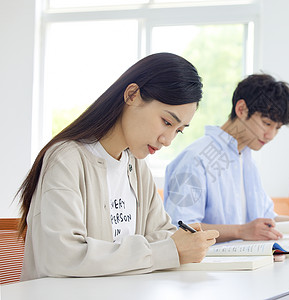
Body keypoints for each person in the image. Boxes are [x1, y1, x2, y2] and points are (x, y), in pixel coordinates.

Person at [16, 53, 219, 281]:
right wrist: (166, 250)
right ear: (132, 95)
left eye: (178, 130)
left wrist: (174, 246)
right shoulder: (66, 159)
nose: (168, 140)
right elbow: (63, 257)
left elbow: (164, 234)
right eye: (167, 122)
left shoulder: (137, 167)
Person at [164, 74, 289, 244]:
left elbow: (267, 220)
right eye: (267, 123)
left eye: (277, 128)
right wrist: (240, 231)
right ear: (241, 109)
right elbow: (181, 228)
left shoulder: (247, 160)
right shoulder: (195, 159)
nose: (271, 135)